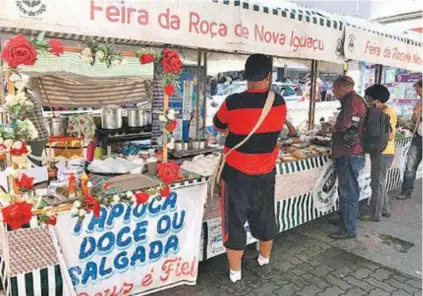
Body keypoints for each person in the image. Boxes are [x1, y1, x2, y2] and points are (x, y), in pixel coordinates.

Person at [213, 54, 287, 294]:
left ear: (245, 75)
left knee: (234, 222)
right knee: (265, 216)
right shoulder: (279, 102)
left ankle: (236, 276)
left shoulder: (232, 102)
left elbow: (218, 124)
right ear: (268, 76)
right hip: (266, 173)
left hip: (235, 175)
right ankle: (264, 262)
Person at [330, 76, 367, 239]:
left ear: (343, 87)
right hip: (351, 152)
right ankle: (344, 218)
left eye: (335, 87)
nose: (333, 91)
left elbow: (346, 125)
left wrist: (334, 128)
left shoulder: (352, 100)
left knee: (349, 191)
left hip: (350, 152)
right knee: (346, 189)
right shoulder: (354, 99)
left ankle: (349, 228)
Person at [362, 85, 396, 221]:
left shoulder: (386, 113)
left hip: (383, 152)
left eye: (369, 97)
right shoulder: (383, 111)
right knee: (379, 182)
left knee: (377, 184)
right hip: (383, 152)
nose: (367, 100)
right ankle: (385, 209)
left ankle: (374, 214)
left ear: (376, 99)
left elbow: (389, 136)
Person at [398, 79, 422, 200]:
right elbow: (414, 120)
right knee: (410, 166)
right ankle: (406, 190)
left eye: (418, 89)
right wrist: (415, 114)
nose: (416, 91)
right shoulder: (419, 101)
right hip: (418, 137)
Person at [24, 89, 49, 166]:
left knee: (34, 166)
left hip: (36, 138)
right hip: (39, 136)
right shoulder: (29, 96)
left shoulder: (24, 99)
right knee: (35, 164)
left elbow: (18, 116)